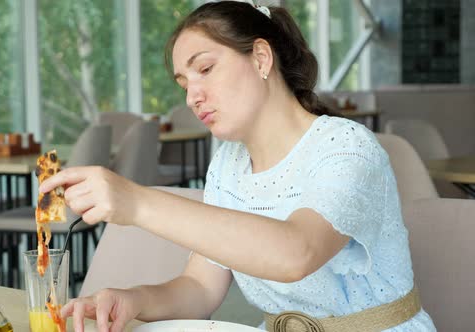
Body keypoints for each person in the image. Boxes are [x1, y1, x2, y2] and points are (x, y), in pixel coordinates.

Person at [40, 1, 436, 331]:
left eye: (206, 69)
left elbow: (297, 252)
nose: (193, 96)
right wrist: (133, 299)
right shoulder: (228, 164)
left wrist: (137, 203)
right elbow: (200, 286)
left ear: (261, 57)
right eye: (183, 84)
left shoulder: (347, 147)